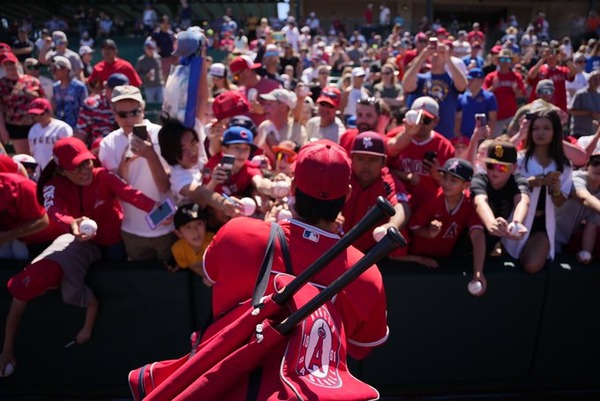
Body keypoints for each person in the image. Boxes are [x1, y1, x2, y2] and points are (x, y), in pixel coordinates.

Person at [203, 139, 389, 360]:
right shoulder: (365, 273)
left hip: (225, 384)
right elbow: (362, 348)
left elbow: (208, 277)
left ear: (292, 187)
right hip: (305, 391)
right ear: (347, 195)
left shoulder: (236, 233)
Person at [0, 137, 158, 377]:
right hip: (81, 243)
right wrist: (71, 224)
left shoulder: (103, 175)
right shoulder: (54, 186)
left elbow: (129, 193)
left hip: (113, 240)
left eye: (86, 163)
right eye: (76, 166)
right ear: (62, 170)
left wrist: (156, 209)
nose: (85, 170)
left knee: (119, 281)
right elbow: (55, 212)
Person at [98, 85, 173, 261]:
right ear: (114, 113)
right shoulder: (108, 144)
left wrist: (150, 155)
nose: (130, 119)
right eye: (123, 114)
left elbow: (165, 186)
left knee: (170, 284)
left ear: (143, 109)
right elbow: (115, 195)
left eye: (134, 112)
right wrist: (124, 164)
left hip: (167, 227)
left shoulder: (162, 134)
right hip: (131, 231)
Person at [503, 110, 573, 274]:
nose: (540, 133)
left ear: (555, 131)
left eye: (546, 128)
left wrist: (555, 188)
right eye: (536, 128)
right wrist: (528, 183)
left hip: (542, 225)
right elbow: (501, 186)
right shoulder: (518, 160)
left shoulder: (564, 165)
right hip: (513, 221)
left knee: (531, 265)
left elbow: (560, 201)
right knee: (506, 264)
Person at [404, 158, 487, 294]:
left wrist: (478, 272)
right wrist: (429, 232)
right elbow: (414, 227)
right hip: (418, 260)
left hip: (444, 261)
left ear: (466, 184)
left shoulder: (469, 203)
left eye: (453, 180)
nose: (446, 183)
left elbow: (477, 235)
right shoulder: (433, 198)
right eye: (445, 177)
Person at [341, 131, 410, 254]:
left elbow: (402, 205)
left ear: (383, 162)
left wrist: (391, 226)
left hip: (367, 254)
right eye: (360, 158)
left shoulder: (387, 181)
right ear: (351, 158)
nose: (366, 165)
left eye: (373, 159)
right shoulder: (343, 174)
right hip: (334, 247)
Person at [387, 96, 456, 208]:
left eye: (426, 120)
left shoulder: (445, 147)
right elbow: (381, 169)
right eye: (418, 119)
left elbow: (453, 188)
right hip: (395, 202)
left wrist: (438, 175)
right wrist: (405, 176)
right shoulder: (395, 137)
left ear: (436, 121)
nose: (420, 124)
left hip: (427, 208)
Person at [471, 139, 530, 256]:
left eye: (502, 167)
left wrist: (517, 223)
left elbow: (523, 201)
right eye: (490, 165)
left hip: (488, 248)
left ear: (513, 168)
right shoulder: (479, 179)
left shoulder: (518, 181)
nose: (494, 171)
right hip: (464, 243)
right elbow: (480, 202)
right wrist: (491, 223)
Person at [403, 42, 468, 140]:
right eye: (433, 52)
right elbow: (406, 85)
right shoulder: (422, 78)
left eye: (440, 52)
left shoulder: (452, 80)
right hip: (419, 134)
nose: (436, 55)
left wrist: (447, 58)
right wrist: (422, 57)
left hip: (444, 135)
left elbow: (463, 85)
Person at [555, 152, 600, 264]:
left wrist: (586, 253)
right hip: (542, 233)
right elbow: (584, 198)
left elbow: (592, 225)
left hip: (560, 242)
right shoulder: (575, 177)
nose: (599, 167)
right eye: (596, 163)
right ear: (588, 165)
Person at [0, 52, 45, 155]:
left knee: (40, 154)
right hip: (16, 127)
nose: (10, 66)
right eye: (6, 64)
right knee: (25, 157)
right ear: (3, 67)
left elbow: (43, 101)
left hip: (36, 123)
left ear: (18, 64)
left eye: (11, 63)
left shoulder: (32, 81)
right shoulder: (2, 84)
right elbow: (0, 110)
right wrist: (3, 130)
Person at [0, 166, 49, 259]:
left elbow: (43, 221)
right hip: (10, 237)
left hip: (40, 239)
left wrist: (5, 237)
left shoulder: (19, 185)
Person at [75, 73, 129, 147]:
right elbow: (81, 134)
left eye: (123, 92)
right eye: (115, 91)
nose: (119, 95)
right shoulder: (91, 105)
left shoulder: (131, 106)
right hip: (98, 149)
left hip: (126, 149)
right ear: (106, 88)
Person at [482, 49, 526, 138]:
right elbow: (483, 95)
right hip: (495, 117)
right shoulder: (491, 77)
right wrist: (493, 87)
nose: (505, 62)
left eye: (508, 60)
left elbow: (522, 94)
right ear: (498, 61)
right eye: (502, 60)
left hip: (511, 116)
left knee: (512, 140)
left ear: (511, 62)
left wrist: (515, 90)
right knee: (495, 142)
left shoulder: (516, 77)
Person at [229, 55, 281, 126]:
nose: (235, 80)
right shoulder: (237, 93)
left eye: (236, 76)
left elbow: (284, 113)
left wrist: (263, 111)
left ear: (247, 71)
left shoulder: (273, 87)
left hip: (268, 136)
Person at [167, 203, 214, 282]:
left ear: (205, 223)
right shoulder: (178, 249)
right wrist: (207, 277)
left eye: (199, 224)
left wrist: (213, 279)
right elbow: (191, 265)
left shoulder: (215, 243)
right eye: (188, 227)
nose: (195, 232)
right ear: (178, 233)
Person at [255, 88, 306, 161]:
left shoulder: (297, 130)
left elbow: (296, 161)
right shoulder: (264, 126)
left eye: (269, 104)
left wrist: (274, 146)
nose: (265, 108)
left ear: (282, 107)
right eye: (265, 104)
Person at [27, 97, 73, 173]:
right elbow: (33, 152)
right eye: (35, 115)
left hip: (58, 170)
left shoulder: (62, 128)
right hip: (39, 171)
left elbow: (68, 152)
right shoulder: (33, 130)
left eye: (41, 114)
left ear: (49, 112)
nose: (38, 117)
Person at [527, 45, 577, 113]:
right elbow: (531, 76)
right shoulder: (540, 69)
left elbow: (574, 73)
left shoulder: (562, 70)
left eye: (554, 57)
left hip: (559, 107)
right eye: (549, 57)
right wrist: (542, 59)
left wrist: (566, 59)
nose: (552, 60)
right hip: (540, 107)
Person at [455, 68, 498, 139]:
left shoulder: (489, 97)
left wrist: (488, 137)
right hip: (464, 138)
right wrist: (458, 135)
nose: (469, 82)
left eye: (472, 80)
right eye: (468, 80)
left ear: (481, 80)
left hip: (481, 138)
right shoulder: (462, 97)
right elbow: (457, 118)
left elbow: (492, 120)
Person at [51, 56, 88, 129]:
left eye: (56, 69)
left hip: (76, 127)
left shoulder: (79, 87)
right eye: (53, 70)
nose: (54, 72)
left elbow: (85, 109)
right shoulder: (55, 87)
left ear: (66, 70)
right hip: (60, 128)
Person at [569, 70, 600, 138]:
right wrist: (589, 113)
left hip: (594, 134)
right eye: (595, 79)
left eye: (599, 79)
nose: (597, 82)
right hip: (579, 133)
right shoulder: (580, 94)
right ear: (588, 80)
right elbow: (572, 111)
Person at [135, 37, 164, 105]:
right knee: (151, 105)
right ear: (145, 48)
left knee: (162, 105)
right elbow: (136, 74)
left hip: (159, 86)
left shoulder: (158, 58)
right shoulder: (141, 60)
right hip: (149, 87)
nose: (150, 50)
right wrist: (146, 75)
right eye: (148, 48)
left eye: (152, 48)